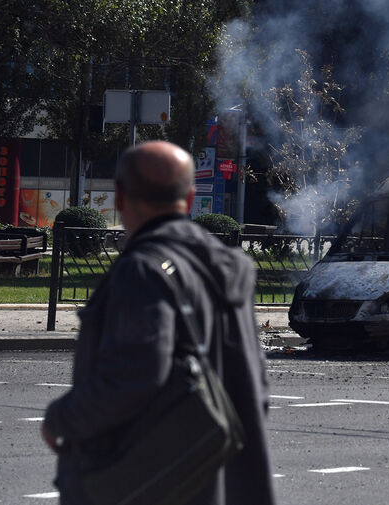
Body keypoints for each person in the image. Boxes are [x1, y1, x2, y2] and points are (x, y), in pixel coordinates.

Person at [42, 141, 275, 505]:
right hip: (220, 475)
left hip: (148, 483)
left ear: (120, 197)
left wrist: (61, 418)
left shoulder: (142, 270)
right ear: (190, 198)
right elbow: (255, 385)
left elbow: (135, 375)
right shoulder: (230, 267)